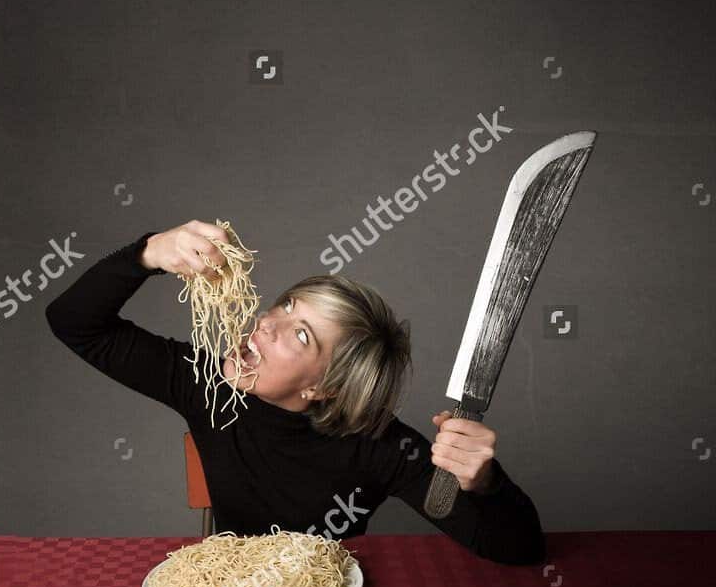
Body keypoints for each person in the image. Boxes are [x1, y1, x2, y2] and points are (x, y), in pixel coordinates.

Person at [45, 220, 544, 565]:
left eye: (301, 335)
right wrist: (150, 252)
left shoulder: (381, 445)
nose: (267, 323)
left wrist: (486, 484)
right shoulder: (209, 388)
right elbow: (73, 321)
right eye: (285, 306)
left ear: (322, 387)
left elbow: (517, 550)